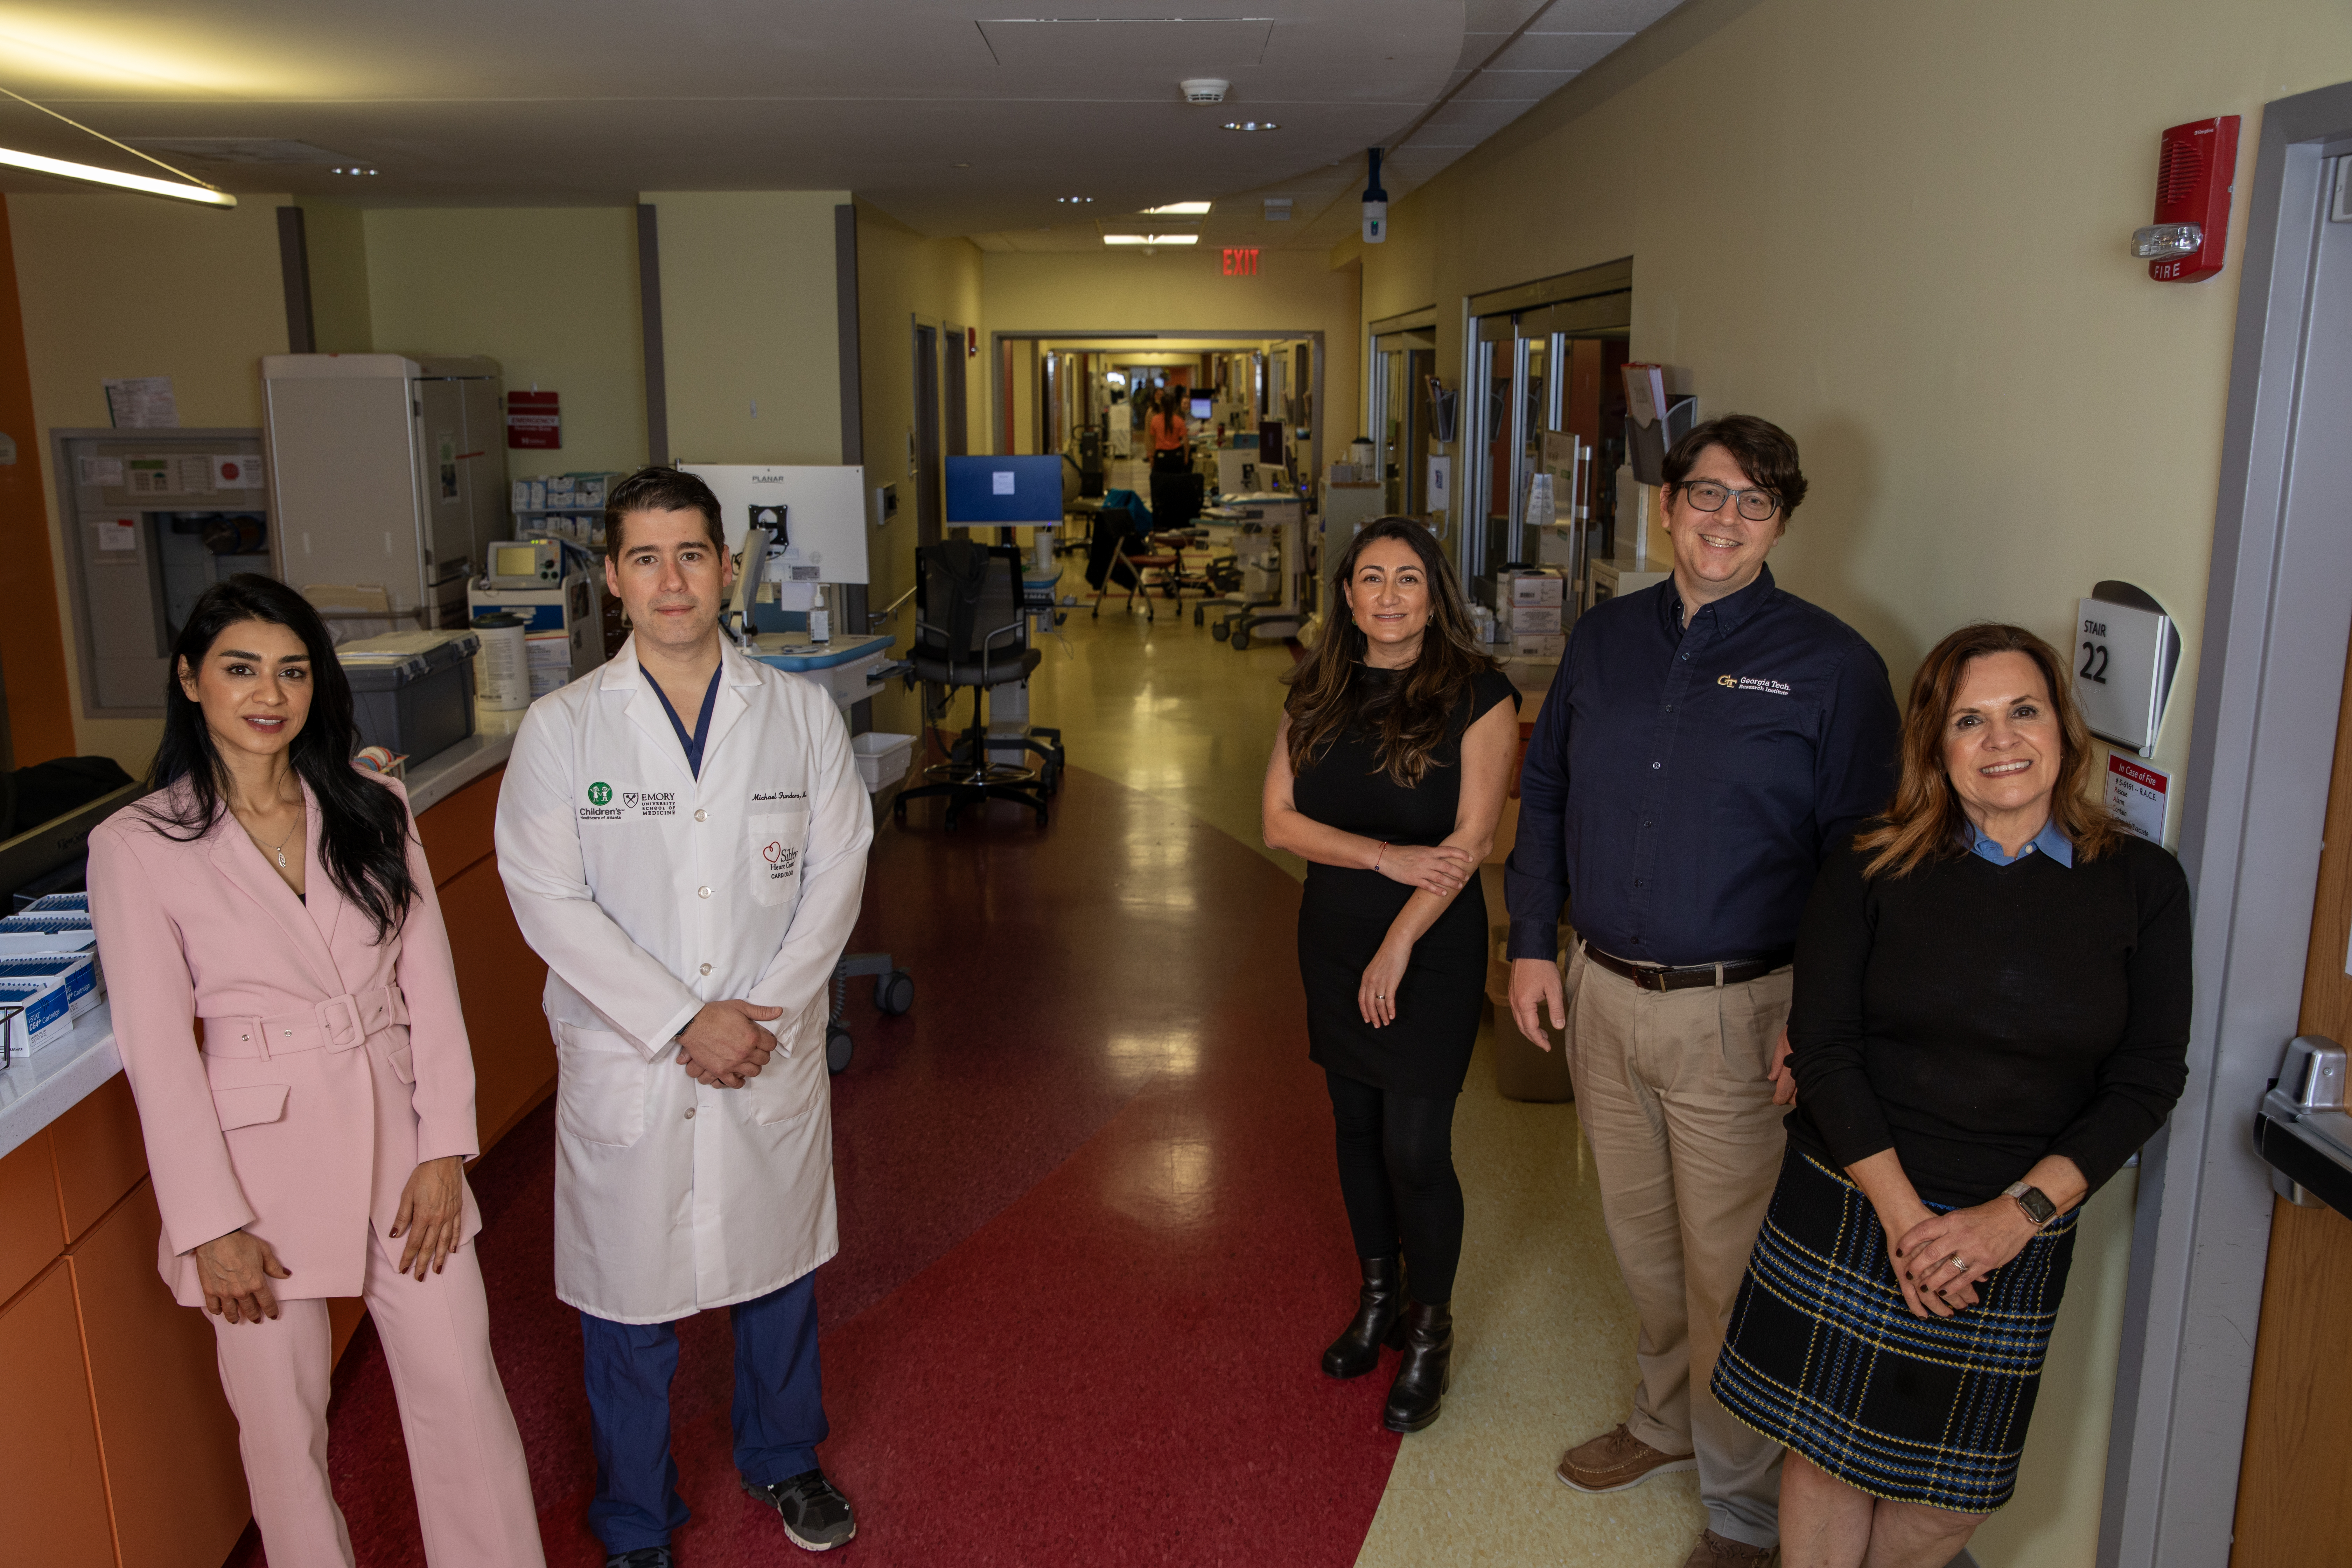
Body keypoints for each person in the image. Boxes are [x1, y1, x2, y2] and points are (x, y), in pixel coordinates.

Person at [1506, 415, 1901, 1568]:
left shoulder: (1833, 665)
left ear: (1781, 524)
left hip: (1742, 1013)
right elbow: (1547, 793)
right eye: (1710, 496)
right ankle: (1664, 1422)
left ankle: (1740, 1508)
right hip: (1602, 993)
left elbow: (1859, 872)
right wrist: (1533, 942)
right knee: (1641, 1244)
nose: (1727, 521)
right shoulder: (1604, 639)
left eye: (1757, 504)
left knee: (1733, 1266)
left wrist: (1818, 1029)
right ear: (1667, 505)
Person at [87, 575, 544, 1568]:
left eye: (292, 671)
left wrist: (446, 1147)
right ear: (190, 681)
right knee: (285, 1440)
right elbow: (158, 1058)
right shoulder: (135, 847)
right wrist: (211, 1225)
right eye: (240, 669)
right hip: (255, 1179)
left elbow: (433, 984)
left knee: (463, 1395)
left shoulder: (371, 799)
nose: (269, 693)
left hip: (402, 1147)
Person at [1711, 623, 2191, 1567]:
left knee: (1951, 1502)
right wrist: (1904, 1221)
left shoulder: (2142, 885)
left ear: (2065, 727)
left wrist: (2011, 1220)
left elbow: (2146, 1080)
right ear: (1936, 748)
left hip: (2013, 1225)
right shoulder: (1871, 865)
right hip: (1853, 1201)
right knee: (1828, 1461)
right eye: (1969, 721)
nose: (2002, 741)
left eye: (2023, 711)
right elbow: (1827, 1048)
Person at [495, 467, 873, 1565]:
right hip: (636, 1056)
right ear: (613, 578)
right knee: (626, 1299)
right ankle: (636, 1516)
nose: (673, 580)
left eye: (693, 554)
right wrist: (680, 1022)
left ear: (724, 567)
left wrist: (761, 1013)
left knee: (777, 1272)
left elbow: (838, 867)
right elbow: (547, 900)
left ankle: (786, 1456)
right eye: (647, 558)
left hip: (766, 1039)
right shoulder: (564, 730)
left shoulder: (797, 713)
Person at [1262, 516, 1519, 1433]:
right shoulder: (1315, 688)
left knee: (1415, 1146)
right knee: (1356, 1128)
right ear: (1346, 596)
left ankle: (1429, 1328)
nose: (1389, 595)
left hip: (1432, 943)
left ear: (1434, 594)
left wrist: (1402, 938)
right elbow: (1280, 824)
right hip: (1333, 934)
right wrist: (1380, 859)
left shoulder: (1478, 697)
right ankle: (1378, 1297)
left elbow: (1472, 841)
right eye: (1371, 578)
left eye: (1408, 578)